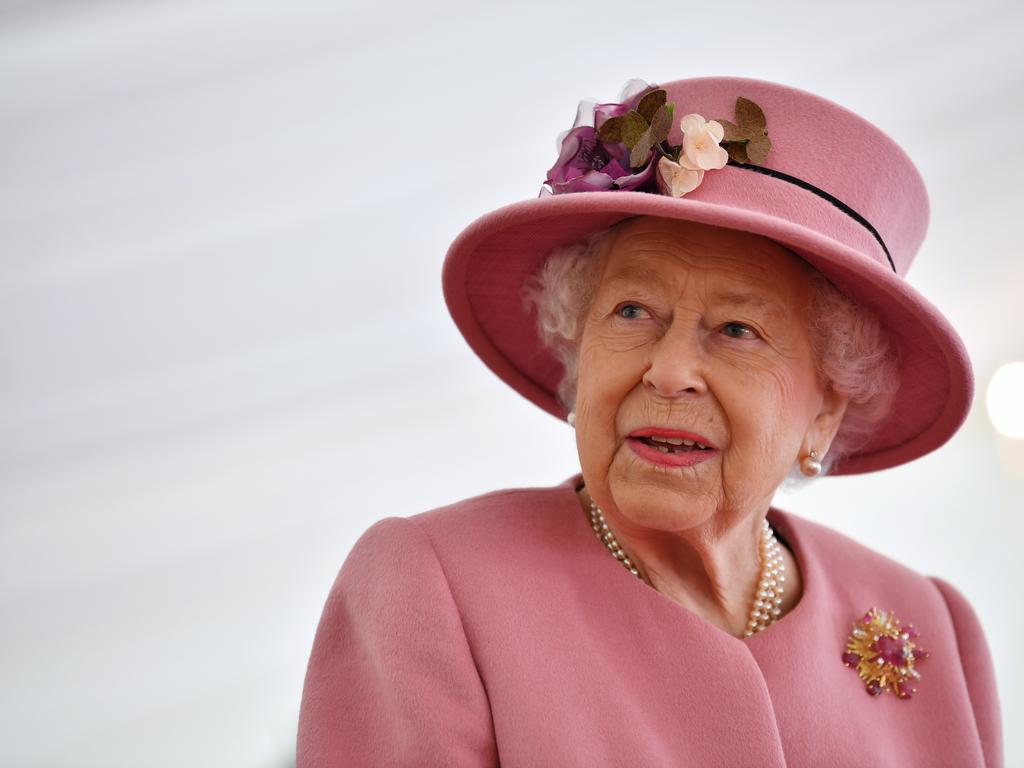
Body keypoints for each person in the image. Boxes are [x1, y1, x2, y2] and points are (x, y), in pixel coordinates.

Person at [295, 76, 1002, 766]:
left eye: (736, 328)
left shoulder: (931, 628)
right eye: (632, 312)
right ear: (577, 351)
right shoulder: (435, 586)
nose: (668, 370)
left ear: (825, 408)